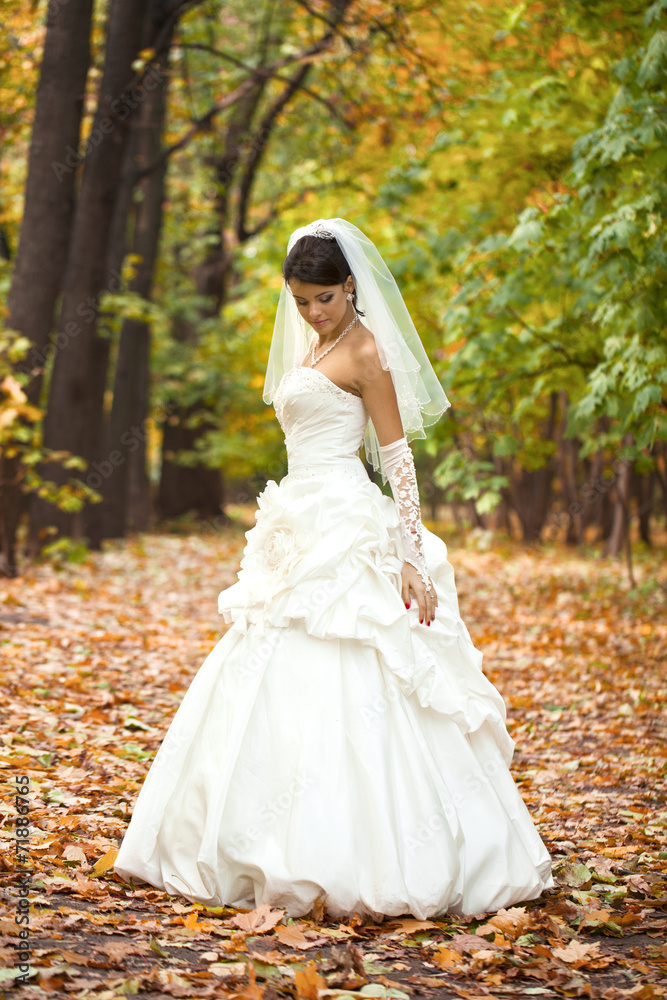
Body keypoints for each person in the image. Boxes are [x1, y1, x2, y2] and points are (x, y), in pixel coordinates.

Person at [114, 218, 554, 920]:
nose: (314, 312)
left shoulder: (366, 352)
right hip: (297, 520)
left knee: (361, 661)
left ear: (350, 286)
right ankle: (251, 837)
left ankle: (368, 854)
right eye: (302, 302)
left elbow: (398, 457)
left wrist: (411, 558)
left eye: (324, 298)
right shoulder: (314, 347)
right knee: (267, 661)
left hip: (346, 524)